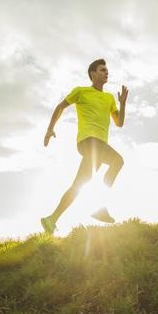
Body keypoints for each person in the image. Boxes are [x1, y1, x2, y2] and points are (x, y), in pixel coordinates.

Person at [40, 58, 129, 234]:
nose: (106, 73)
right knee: (118, 161)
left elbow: (119, 122)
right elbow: (60, 107)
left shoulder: (109, 98)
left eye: (106, 70)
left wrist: (123, 103)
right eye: (102, 70)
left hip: (99, 146)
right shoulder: (81, 91)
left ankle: (51, 219)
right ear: (92, 74)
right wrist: (50, 129)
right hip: (88, 141)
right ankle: (100, 206)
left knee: (79, 184)